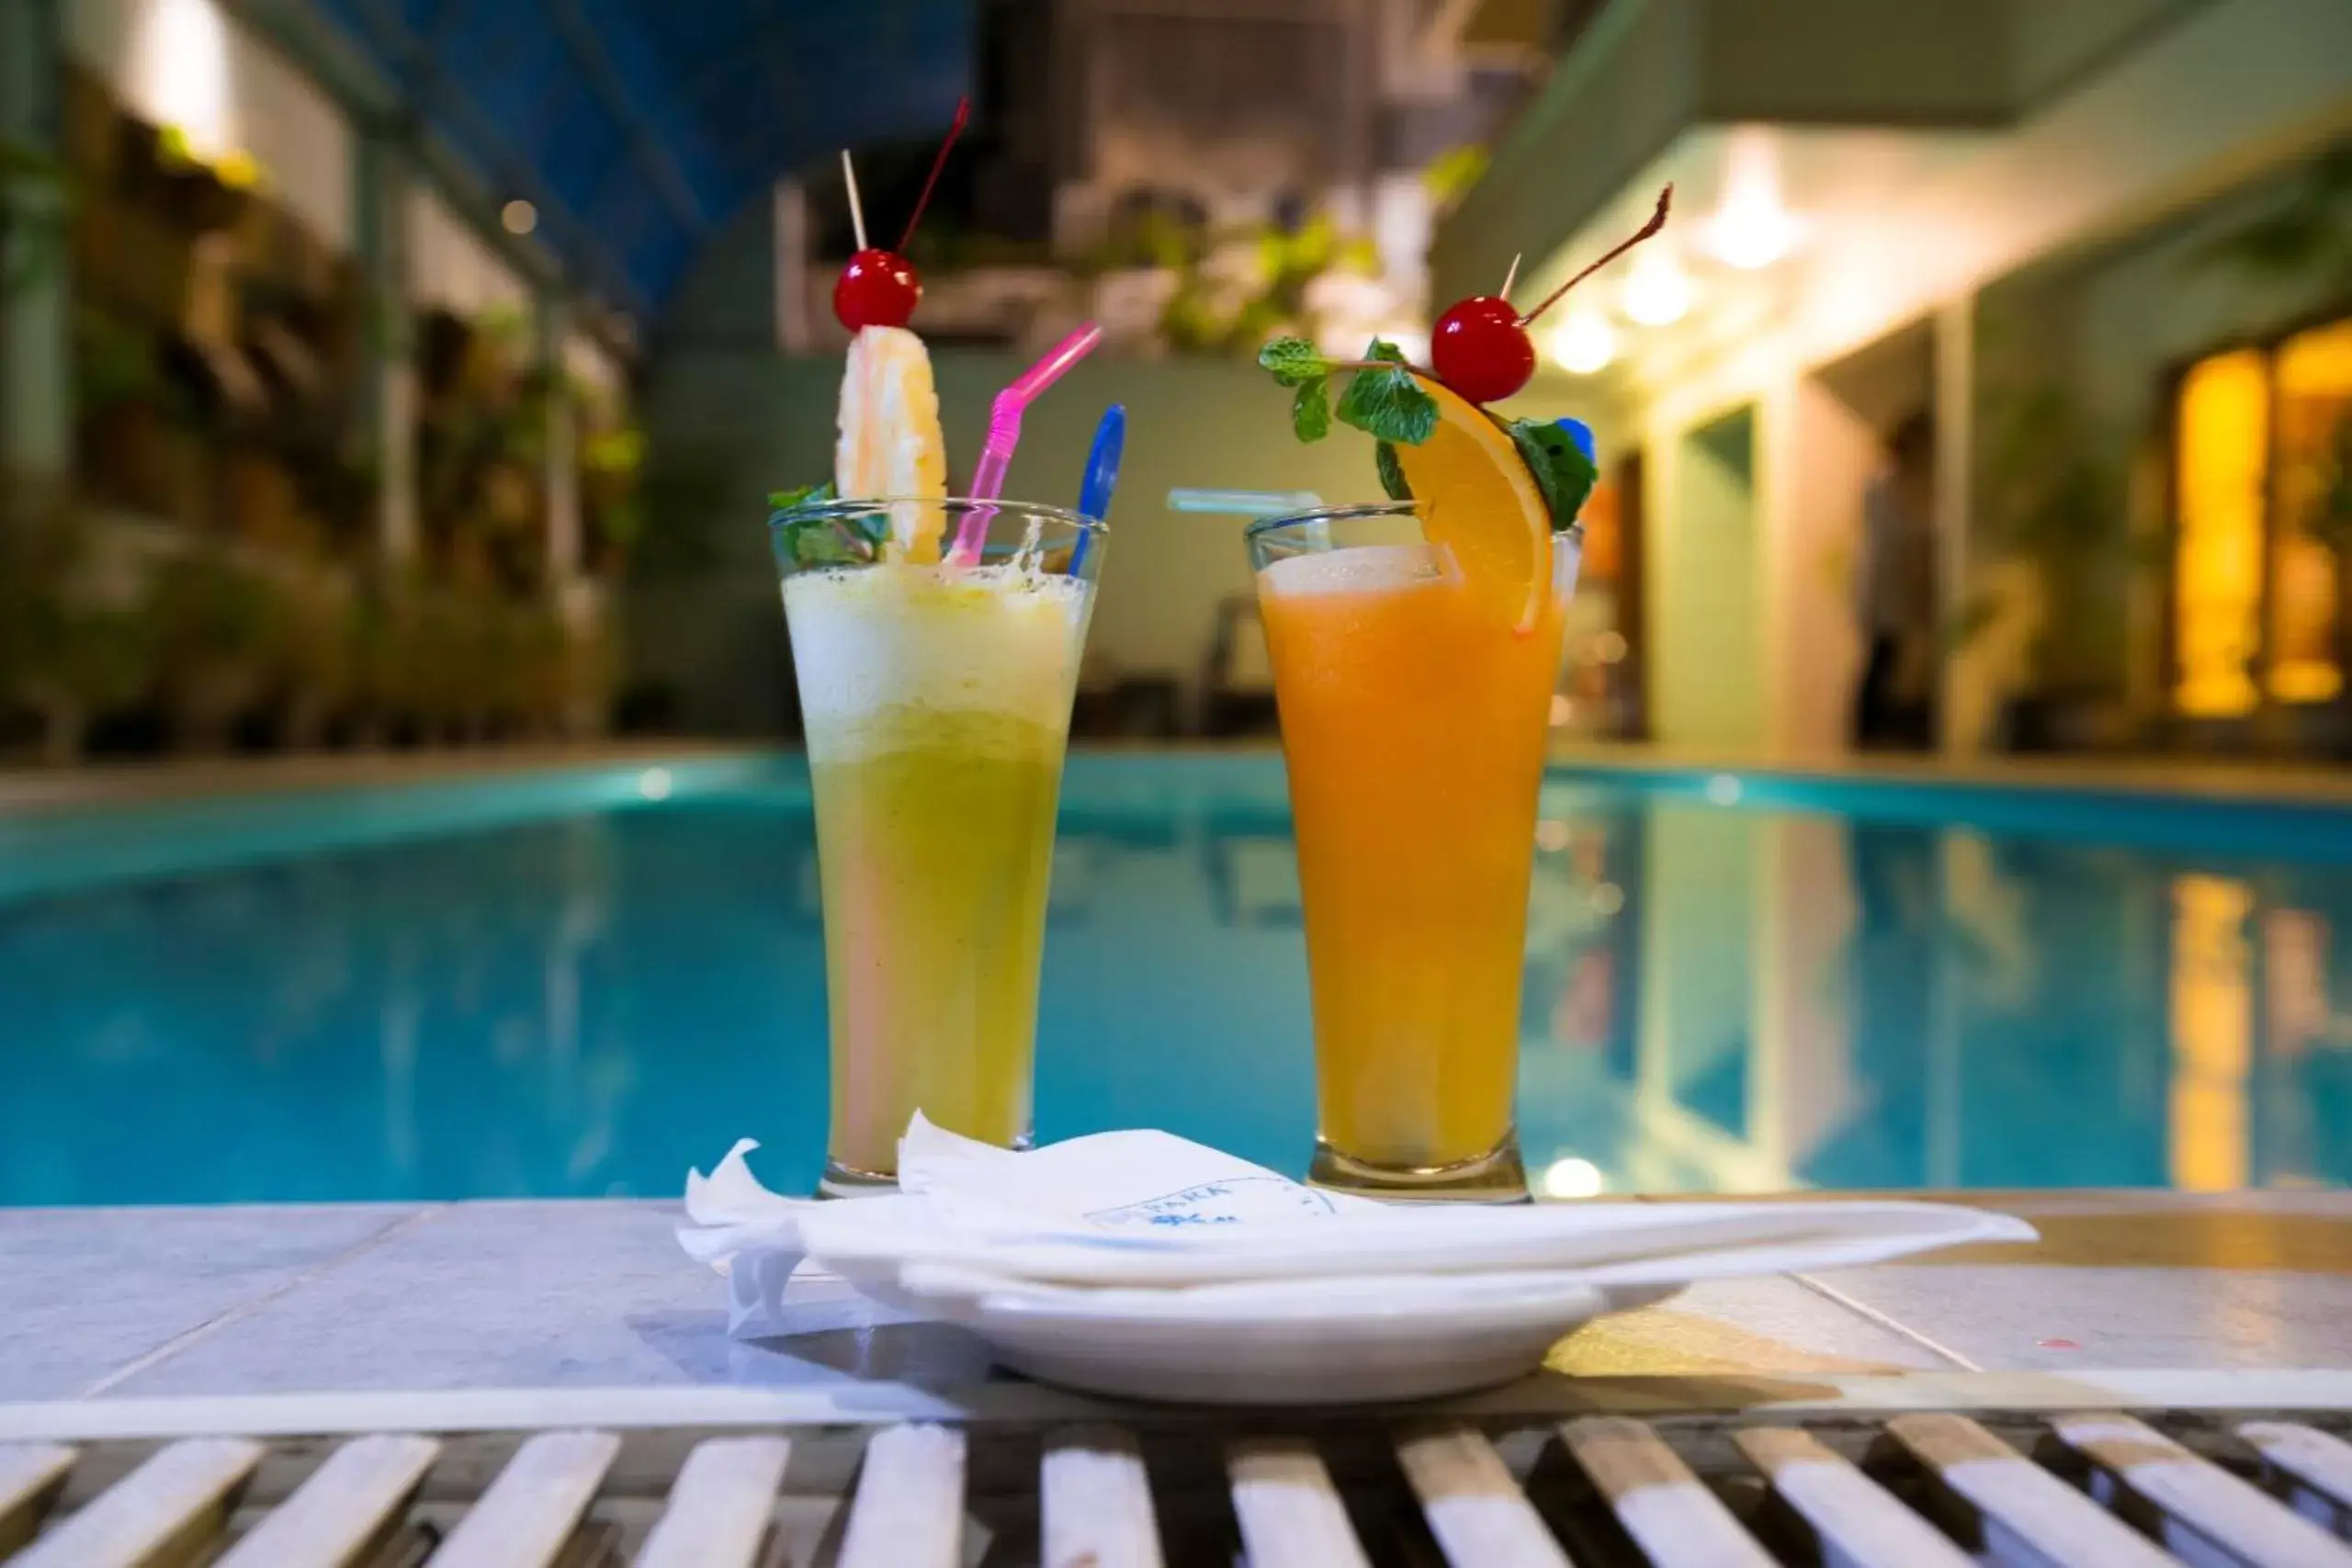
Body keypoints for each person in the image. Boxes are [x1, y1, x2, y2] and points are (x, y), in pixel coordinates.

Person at [1852, 411, 1937, 750]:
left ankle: (1879, 734)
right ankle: (1867, 738)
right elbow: (1899, 534)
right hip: (1887, 594)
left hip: (1896, 595)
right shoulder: (1884, 486)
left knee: (1892, 662)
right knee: (1883, 660)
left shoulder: (1901, 486)